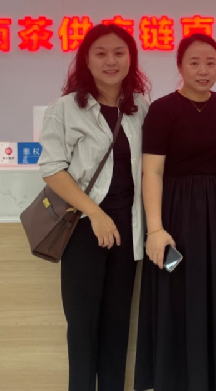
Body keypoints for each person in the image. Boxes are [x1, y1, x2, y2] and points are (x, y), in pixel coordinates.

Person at [40, 21, 149, 391]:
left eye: (119, 53)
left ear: (131, 59)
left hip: (127, 229)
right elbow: (52, 169)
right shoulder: (65, 109)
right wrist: (96, 214)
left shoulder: (139, 108)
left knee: (117, 326)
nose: (110, 61)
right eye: (100, 53)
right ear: (86, 60)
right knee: (83, 326)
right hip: (84, 228)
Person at [136, 33, 216, 391]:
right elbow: (152, 172)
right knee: (178, 289)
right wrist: (155, 229)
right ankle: (177, 379)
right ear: (180, 66)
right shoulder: (163, 109)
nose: (203, 70)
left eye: (210, 63)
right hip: (177, 216)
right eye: (194, 63)